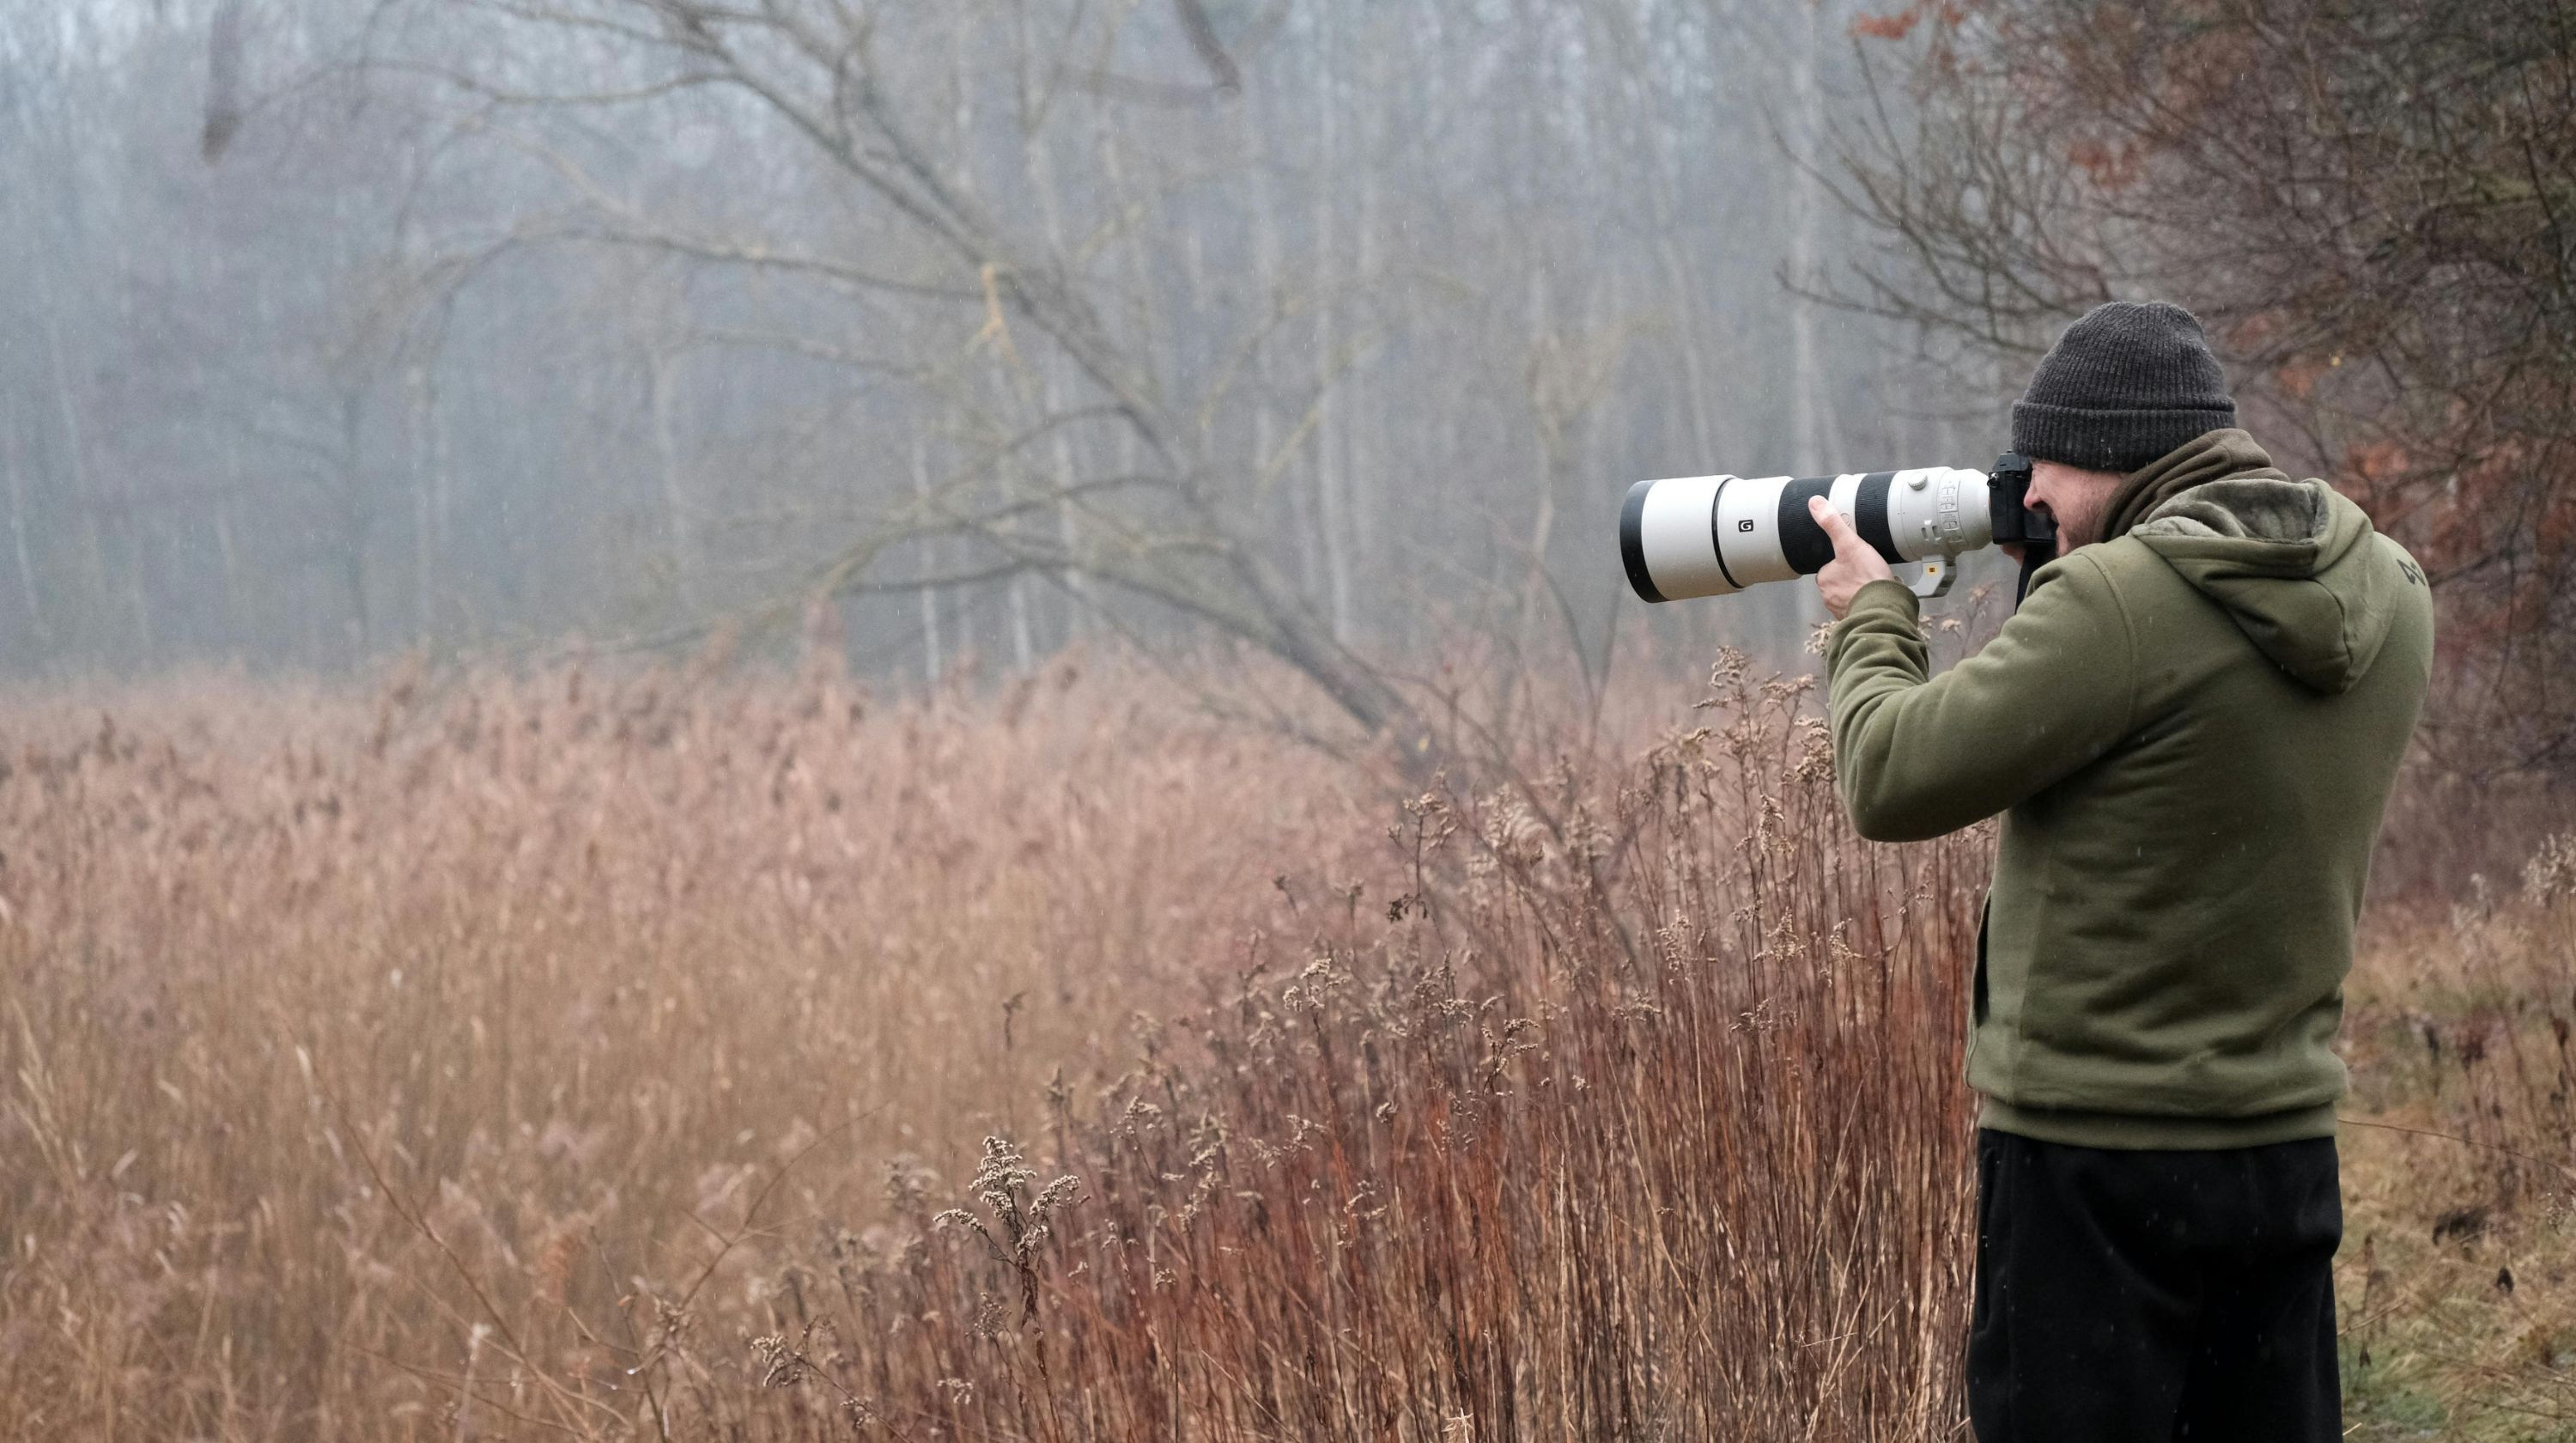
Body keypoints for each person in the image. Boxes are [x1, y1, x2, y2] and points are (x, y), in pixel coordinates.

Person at [1803, 301, 2433, 1441]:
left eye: (2045, 455)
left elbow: (1891, 776)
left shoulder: (2115, 606)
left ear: (2112, 449)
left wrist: (1873, 619)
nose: (2029, 488)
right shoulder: (2391, 588)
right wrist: (2077, 573)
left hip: (2093, 1163)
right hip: (2280, 1147)